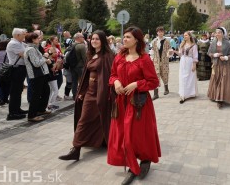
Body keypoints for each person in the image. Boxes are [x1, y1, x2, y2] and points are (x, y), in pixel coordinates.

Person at [107, 27, 161, 185]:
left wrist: (136, 84)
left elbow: (153, 82)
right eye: (124, 37)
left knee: (133, 136)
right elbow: (112, 75)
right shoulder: (119, 56)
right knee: (123, 136)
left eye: (128, 37)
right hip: (121, 103)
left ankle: (139, 163)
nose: (124, 39)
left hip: (138, 104)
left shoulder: (144, 59)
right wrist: (116, 81)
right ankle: (134, 163)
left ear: (136, 40)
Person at [59, 30, 113, 161]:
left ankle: (102, 142)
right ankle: (76, 149)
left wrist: (105, 93)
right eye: (92, 39)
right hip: (90, 92)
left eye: (97, 39)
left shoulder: (107, 56)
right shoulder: (91, 54)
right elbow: (86, 76)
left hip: (101, 93)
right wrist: (82, 91)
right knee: (84, 120)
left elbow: (108, 76)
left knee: (99, 119)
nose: (94, 41)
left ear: (103, 41)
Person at [207, 27, 230, 109]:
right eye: (216, 32)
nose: (217, 34)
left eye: (219, 32)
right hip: (216, 65)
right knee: (216, 80)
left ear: (223, 34)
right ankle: (216, 96)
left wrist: (226, 57)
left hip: (224, 65)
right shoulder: (213, 42)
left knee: (223, 81)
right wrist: (214, 55)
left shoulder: (227, 43)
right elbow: (209, 52)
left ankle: (220, 100)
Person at [24, 32, 52, 122]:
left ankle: (41, 109)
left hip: (41, 74)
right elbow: (36, 63)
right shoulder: (31, 49)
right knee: (36, 95)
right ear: (32, 40)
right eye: (37, 38)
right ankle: (32, 115)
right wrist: (45, 57)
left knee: (46, 91)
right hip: (36, 75)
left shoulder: (34, 48)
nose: (39, 39)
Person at [6, 28, 28, 120]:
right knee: (15, 91)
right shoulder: (13, 44)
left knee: (18, 90)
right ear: (17, 35)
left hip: (21, 69)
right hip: (16, 69)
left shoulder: (20, 43)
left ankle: (17, 109)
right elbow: (25, 54)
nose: (24, 36)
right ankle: (13, 113)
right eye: (23, 34)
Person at [151, 26, 173, 99]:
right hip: (156, 62)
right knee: (156, 76)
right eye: (159, 31)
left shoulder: (166, 41)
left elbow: (170, 49)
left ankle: (166, 88)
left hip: (164, 61)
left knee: (165, 75)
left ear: (163, 32)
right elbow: (152, 51)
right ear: (157, 32)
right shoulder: (154, 41)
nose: (160, 33)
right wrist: (152, 59)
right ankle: (156, 94)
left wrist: (169, 53)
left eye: (162, 31)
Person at [177, 31, 198, 103]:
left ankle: (190, 93)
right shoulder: (182, 44)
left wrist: (194, 65)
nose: (184, 37)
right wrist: (174, 51)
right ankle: (183, 94)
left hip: (190, 61)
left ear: (189, 36)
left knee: (190, 78)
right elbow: (180, 54)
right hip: (183, 61)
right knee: (183, 77)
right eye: (184, 35)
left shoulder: (194, 45)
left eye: (186, 35)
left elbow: (195, 56)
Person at [69, 32, 87, 99]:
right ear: (78, 38)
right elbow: (85, 58)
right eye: (82, 37)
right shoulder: (81, 46)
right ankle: (82, 94)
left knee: (74, 81)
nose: (83, 38)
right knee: (83, 81)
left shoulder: (71, 45)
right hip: (80, 66)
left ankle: (74, 95)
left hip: (72, 66)